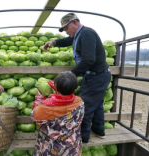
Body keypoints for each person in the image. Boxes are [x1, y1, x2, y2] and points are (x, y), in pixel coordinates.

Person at [43, 13, 111, 143]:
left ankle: (83, 137)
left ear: (75, 22)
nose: (66, 32)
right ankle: (98, 130)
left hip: (96, 76)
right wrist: (54, 42)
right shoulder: (79, 35)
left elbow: (88, 60)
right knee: (97, 105)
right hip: (98, 75)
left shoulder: (87, 34)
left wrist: (71, 74)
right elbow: (68, 40)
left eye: (67, 28)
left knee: (85, 106)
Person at [31, 71, 84, 156]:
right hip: (71, 148)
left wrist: (39, 100)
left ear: (56, 86)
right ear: (74, 88)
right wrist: (61, 89)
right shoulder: (79, 102)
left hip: (49, 149)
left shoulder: (43, 107)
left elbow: (35, 117)